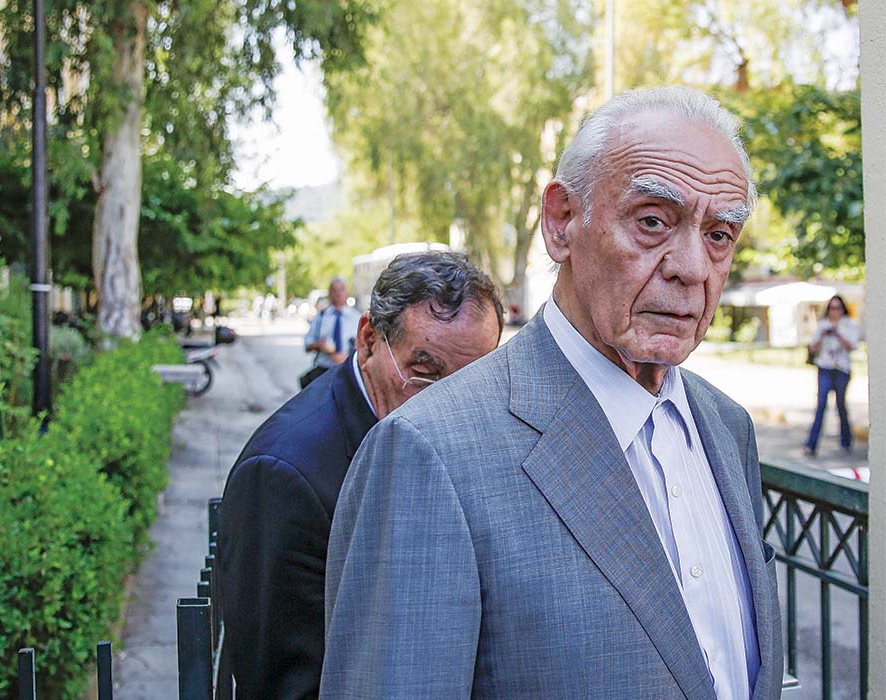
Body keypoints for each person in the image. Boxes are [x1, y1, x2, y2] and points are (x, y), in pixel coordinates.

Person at [321, 87, 784, 700]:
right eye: (653, 221)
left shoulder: (727, 427)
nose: (693, 267)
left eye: (720, 234)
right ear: (562, 221)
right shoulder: (428, 452)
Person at [218, 252, 504, 700]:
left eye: (471, 383)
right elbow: (284, 684)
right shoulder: (282, 475)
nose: (450, 405)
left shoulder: (461, 435)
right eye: (425, 374)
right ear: (368, 339)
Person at [804, 295, 859, 456]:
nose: (834, 312)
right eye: (832, 308)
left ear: (843, 309)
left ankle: (846, 442)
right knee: (821, 405)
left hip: (842, 369)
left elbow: (852, 346)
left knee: (841, 405)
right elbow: (812, 348)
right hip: (825, 368)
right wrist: (822, 336)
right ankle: (811, 444)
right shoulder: (822, 324)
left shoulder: (849, 324)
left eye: (838, 308)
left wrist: (838, 335)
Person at [299, 278, 363, 388]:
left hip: (347, 372)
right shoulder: (321, 317)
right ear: (329, 293)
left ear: (347, 292)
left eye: (341, 289)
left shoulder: (357, 318)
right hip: (324, 371)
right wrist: (318, 345)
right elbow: (307, 344)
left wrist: (348, 356)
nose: (338, 293)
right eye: (334, 290)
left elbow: (365, 347)